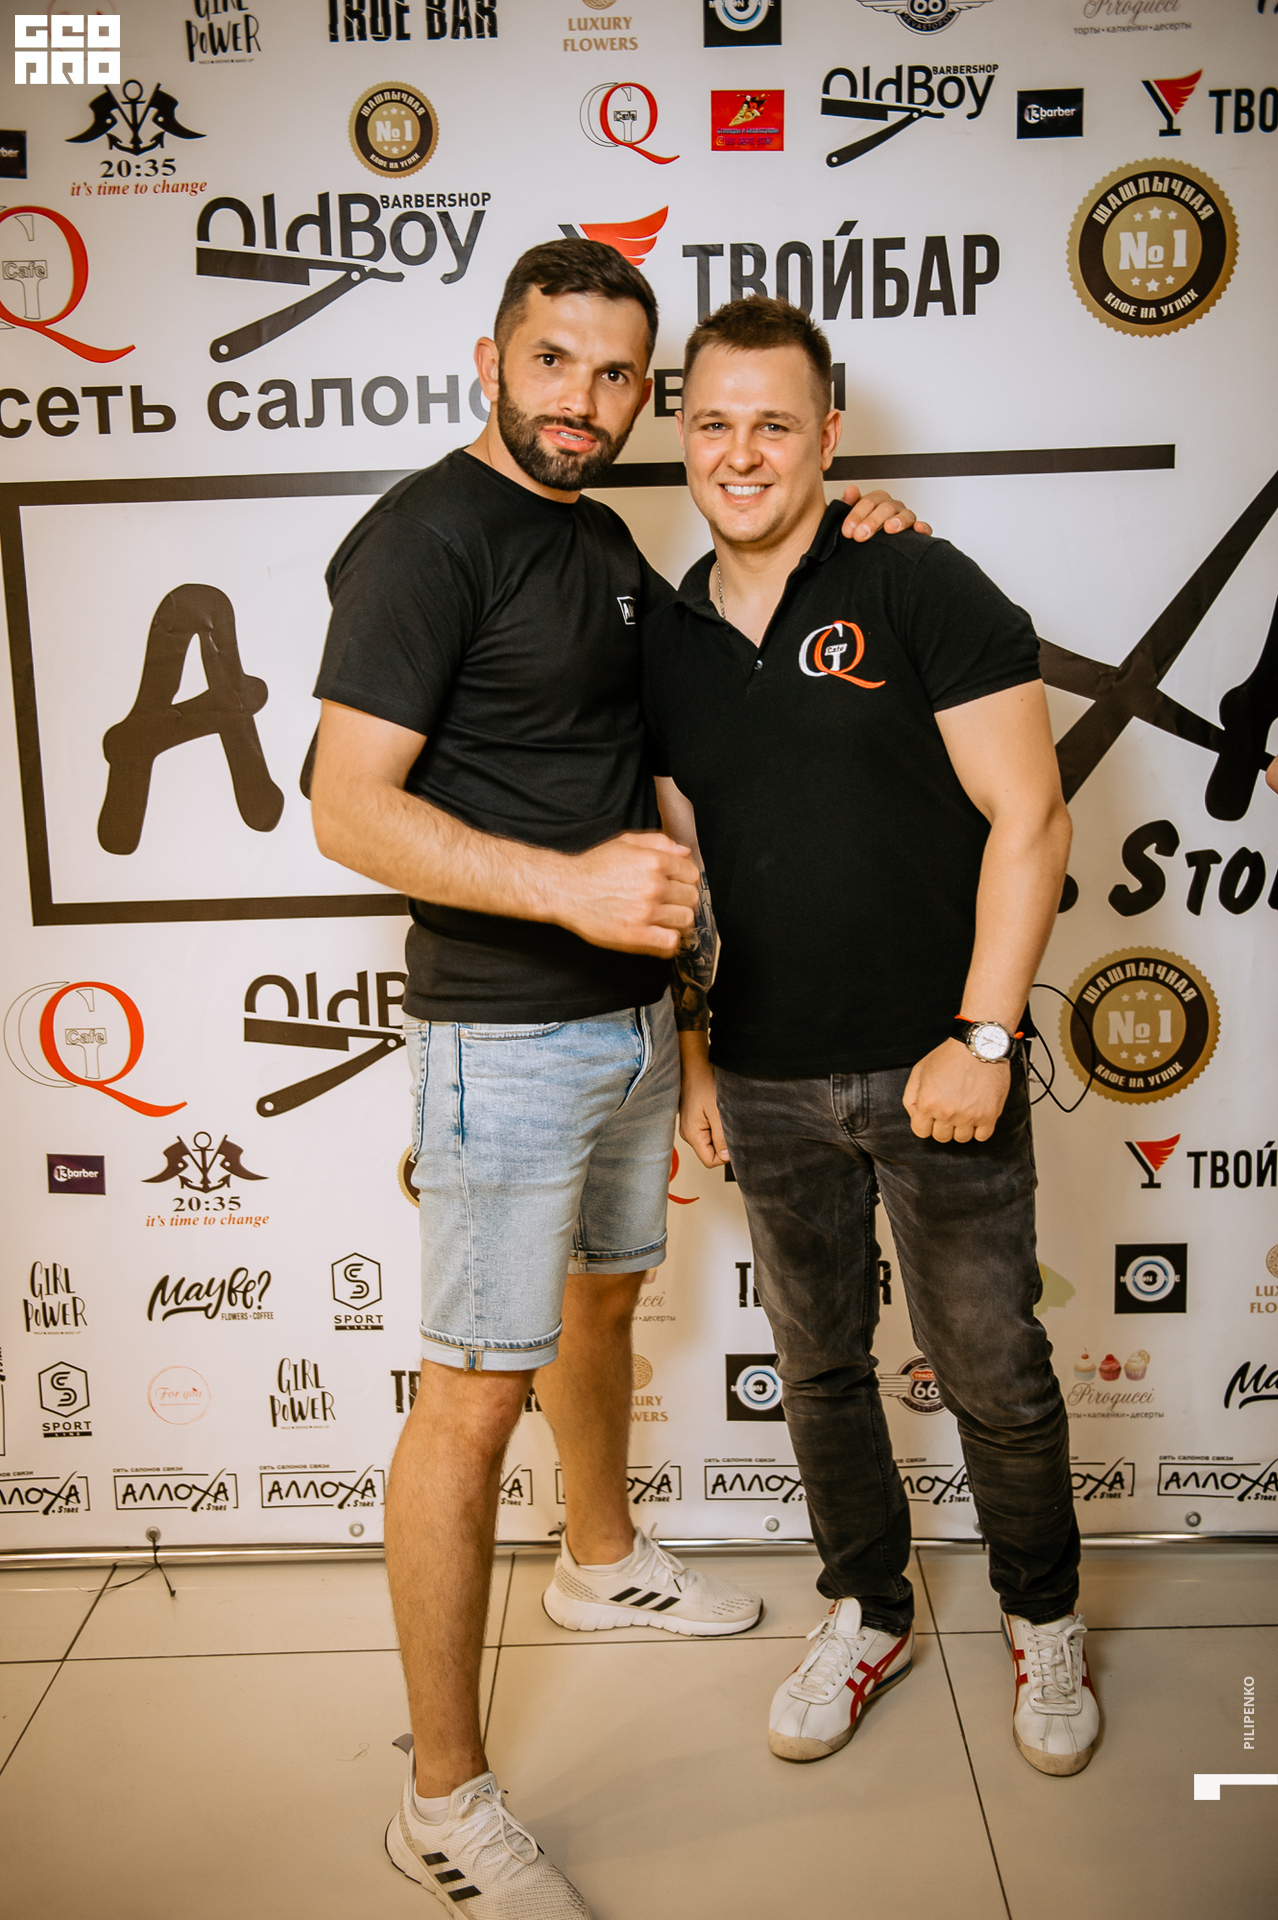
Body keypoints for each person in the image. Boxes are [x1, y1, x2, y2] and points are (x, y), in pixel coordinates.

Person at [308, 242, 927, 1915]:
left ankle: (596, 1559)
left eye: (612, 376)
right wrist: (569, 891)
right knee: (469, 1399)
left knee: (598, 1305)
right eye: (551, 360)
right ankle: (440, 1802)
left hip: (632, 1024)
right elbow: (347, 805)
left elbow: (696, 703)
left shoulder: (594, 541)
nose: (579, 401)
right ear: (490, 358)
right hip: (502, 1031)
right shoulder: (426, 538)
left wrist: (863, 536)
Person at [645, 295, 1098, 1782]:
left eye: (774, 423)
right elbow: (687, 870)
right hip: (764, 1079)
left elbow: (1032, 818)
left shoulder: (917, 581)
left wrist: (983, 1034)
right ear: (681, 434)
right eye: (714, 422)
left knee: (992, 1368)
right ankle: (868, 1611)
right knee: (821, 1369)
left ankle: (1042, 1618)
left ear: (829, 436)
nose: (741, 452)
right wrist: (697, 1059)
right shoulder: (666, 638)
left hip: (938, 1068)